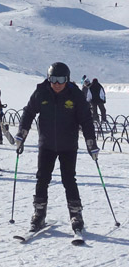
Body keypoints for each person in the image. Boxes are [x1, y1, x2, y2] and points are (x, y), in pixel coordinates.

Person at [15, 62, 98, 233]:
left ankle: (76, 215)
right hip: (47, 144)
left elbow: (86, 120)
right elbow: (29, 112)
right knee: (42, 178)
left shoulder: (74, 94)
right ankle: (39, 214)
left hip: (68, 145)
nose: (57, 84)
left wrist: (91, 142)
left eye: (61, 79)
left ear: (67, 79)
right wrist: (21, 134)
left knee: (69, 179)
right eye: (53, 79)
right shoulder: (41, 92)